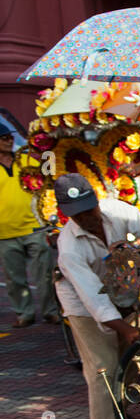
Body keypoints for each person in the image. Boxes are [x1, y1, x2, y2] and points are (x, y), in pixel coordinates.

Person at [54, 174, 140, 419]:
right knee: (102, 364)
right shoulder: (68, 247)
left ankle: (121, 412)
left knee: (127, 360)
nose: (88, 218)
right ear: (68, 215)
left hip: (122, 288)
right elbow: (92, 296)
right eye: (78, 215)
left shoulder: (115, 209)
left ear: (96, 201)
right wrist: (124, 328)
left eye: (89, 209)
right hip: (83, 304)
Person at [0, 125, 58, 327]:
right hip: (4, 232)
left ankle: (50, 311)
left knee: (44, 273)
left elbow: (49, 173)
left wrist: (43, 151)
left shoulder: (25, 159)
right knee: (14, 278)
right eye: (4, 138)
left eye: (9, 137)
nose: (8, 141)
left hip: (34, 227)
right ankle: (24, 314)